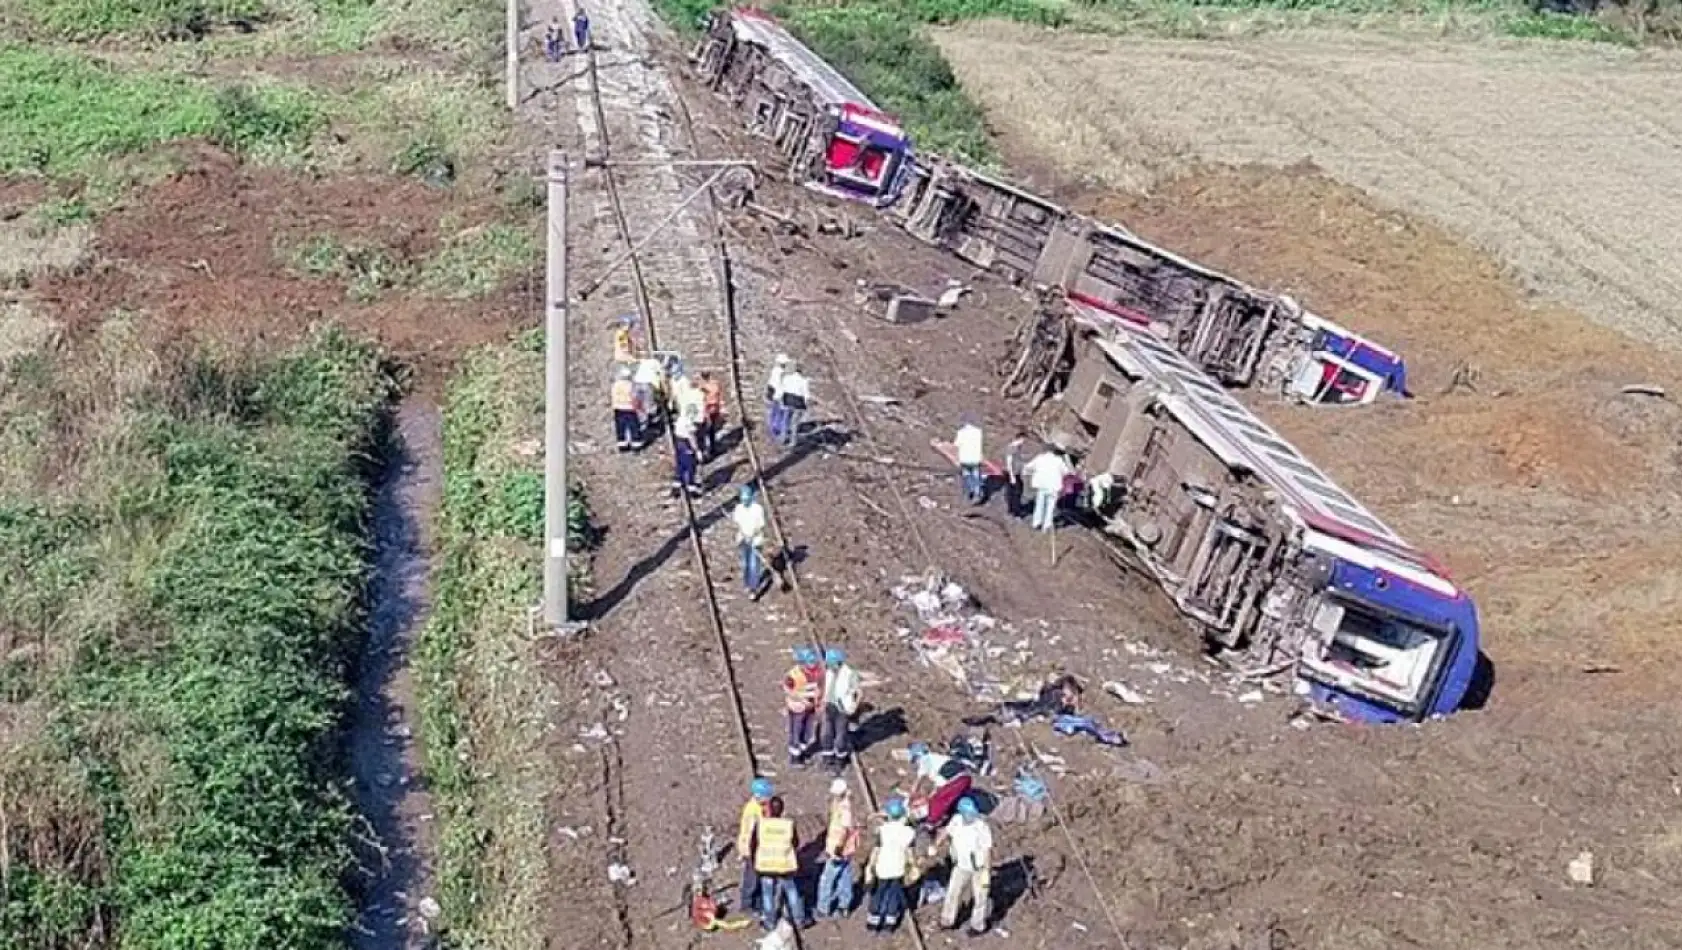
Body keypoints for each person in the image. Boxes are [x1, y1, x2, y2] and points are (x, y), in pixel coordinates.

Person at [930, 797, 993, 935]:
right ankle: (947, 920)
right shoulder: (956, 821)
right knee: (953, 892)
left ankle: (978, 925)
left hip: (979, 868)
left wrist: (986, 871)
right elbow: (946, 832)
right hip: (961, 866)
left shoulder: (981, 827)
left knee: (980, 897)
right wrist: (935, 845)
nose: (971, 816)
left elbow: (987, 850)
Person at [754, 796, 811, 930]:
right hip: (785, 865)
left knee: (768, 893)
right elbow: (795, 843)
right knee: (791, 891)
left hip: (766, 864)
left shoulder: (761, 824)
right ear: (782, 810)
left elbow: (754, 843)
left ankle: (769, 922)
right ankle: (799, 920)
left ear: (770, 810)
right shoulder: (788, 824)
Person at [864, 797, 918, 934]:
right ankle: (890, 922)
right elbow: (910, 853)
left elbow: (876, 850)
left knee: (878, 894)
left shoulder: (882, 830)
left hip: (883, 868)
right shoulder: (909, 833)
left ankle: (873, 921)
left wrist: (870, 866)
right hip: (898, 868)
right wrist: (912, 867)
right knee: (893, 894)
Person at [964, 673, 1082, 727]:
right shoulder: (1056, 696)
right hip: (1021, 712)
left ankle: (980, 716)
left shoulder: (1058, 701)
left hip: (1021, 713)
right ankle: (980, 715)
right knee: (997, 714)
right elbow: (1039, 708)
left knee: (995, 715)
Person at [814, 778, 858, 919]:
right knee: (844, 877)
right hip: (847, 850)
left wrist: (838, 847)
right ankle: (844, 906)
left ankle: (823, 908)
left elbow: (845, 830)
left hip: (838, 850)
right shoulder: (842, 803)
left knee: (827, 880)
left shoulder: (844, 808)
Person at [907, 741, 974, 828]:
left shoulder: (925, 760)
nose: (916, 763)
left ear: (917, 756)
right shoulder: (936, 759)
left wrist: (911, 797)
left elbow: (918, 782)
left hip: (956, 779)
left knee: (937, 803)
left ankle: (931, 822)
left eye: (915, 760)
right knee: (945, 800)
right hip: (962, 777)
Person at [819, 647, 861, 773]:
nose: (829, 665)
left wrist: (854, 707)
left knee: (840, 736)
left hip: (842, 709)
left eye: (831, 663)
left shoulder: (849, 674)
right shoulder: (828, 672)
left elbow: (858, 691)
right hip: (829, 706)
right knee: (826, 733)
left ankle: (839, 760)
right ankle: (827, 757)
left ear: (838, 662)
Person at [736, 778, 773, 915]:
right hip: (751, 849)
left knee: (757, 876)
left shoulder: (758, 807)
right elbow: (752, 835)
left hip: (756, 847)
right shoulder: (753, 811)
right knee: (751, 877)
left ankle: (756, 901)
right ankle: (746, 904)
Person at [783, 646, 823, 766]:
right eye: (809, 662)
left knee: (808, 731)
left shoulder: (816, 672)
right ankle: (795, 758)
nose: (812, 665)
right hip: (797, 708)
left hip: (810, 708)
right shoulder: (794, 675)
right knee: (796, 731)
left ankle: (803, 750)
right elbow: (788, 690)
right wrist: (802, 697)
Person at [733, 484, 770, 598]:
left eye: (747, 498)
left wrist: (753, 534)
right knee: (745, 563)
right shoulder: (738, 508)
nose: (745, 501)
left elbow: (761, 524)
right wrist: (743, 534)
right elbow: (737, 522)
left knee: (754, 564)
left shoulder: (758, 509)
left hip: (756, 540)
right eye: (743, 499)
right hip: (743, 540)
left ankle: (753, 588)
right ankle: (747, 583)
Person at [1023, 447, 1071, 532]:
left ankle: (1036, 523)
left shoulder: (1040, 458)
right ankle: (1046, 525)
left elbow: (1028, 467)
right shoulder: (1059, 460)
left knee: (1039, 504)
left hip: (1042, 485)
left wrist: (1028, 473)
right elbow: (1066, 472)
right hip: (1053, 486)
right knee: (1050, 506)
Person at [777, 361, 810, 448]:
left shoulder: (787, 378)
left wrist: (781, 401)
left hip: (788, 399)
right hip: (799, 402)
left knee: (785, 419)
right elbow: (806, 394)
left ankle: (782, 438)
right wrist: (806, 404)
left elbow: (782, 389)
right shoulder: (804, 380)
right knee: (794, 423)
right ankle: (793, 441)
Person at [954, 416, 985, 505]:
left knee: (967, 476)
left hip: (965, 458)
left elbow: (956, 445)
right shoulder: (978, 432)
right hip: (975, 458)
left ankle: (971, 491)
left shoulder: (961, 432)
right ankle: (977, 493)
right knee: (976, 475)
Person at [672, 407, 701, 497]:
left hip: (678, 443)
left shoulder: (680, 419)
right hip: (686, 445)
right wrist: (697, 450)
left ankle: (676, 486)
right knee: (690, 467)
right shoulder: (689, 423)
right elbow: (692, 437)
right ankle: (691, 488)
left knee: (680, 465)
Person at [611, 365, 641, 451]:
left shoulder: (616, 385)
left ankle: (622, 444)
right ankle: (636, 444)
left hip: (618, 408)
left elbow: (614, 396)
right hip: (630, 408)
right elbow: (635, 396)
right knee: (633, 426)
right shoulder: (631, 385)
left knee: (621, 427)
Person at [633, 355, 666, 433]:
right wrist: (664, 392)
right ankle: (653, 425)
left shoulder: (645, 362)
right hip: (647, 384)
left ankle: (642, 423)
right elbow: (663, 379)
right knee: (650, 406)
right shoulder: (658, 364)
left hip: (636, 383)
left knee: (639, 405)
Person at [697, 370, 725, 461]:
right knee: (711, 431)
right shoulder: (715, 385)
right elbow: (719, 397)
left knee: (704, 432)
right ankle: (712, 449)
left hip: (706, 411)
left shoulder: (701, 387)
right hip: (713, 410)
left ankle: (706, 451)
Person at [765, 354, 790, 443]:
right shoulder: (784, 373)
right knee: (782, 415)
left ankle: (775, 431)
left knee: (775, 414)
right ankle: (780, 434)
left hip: (775, 396)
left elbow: (772, 385)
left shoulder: (776, 371)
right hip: (781, 397)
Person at [1003, 433, 1027, 517]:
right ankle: (1015, 510)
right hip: (1012, 473)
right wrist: (1011, 475)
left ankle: (1014, 509)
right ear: (1020, 438)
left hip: (1016, 473)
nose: (1023, 442)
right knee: (1015, 492)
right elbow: (1009, 462)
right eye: (1023, 440)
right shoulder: (1011, 448)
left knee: (1017, 491)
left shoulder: (1017, 448)